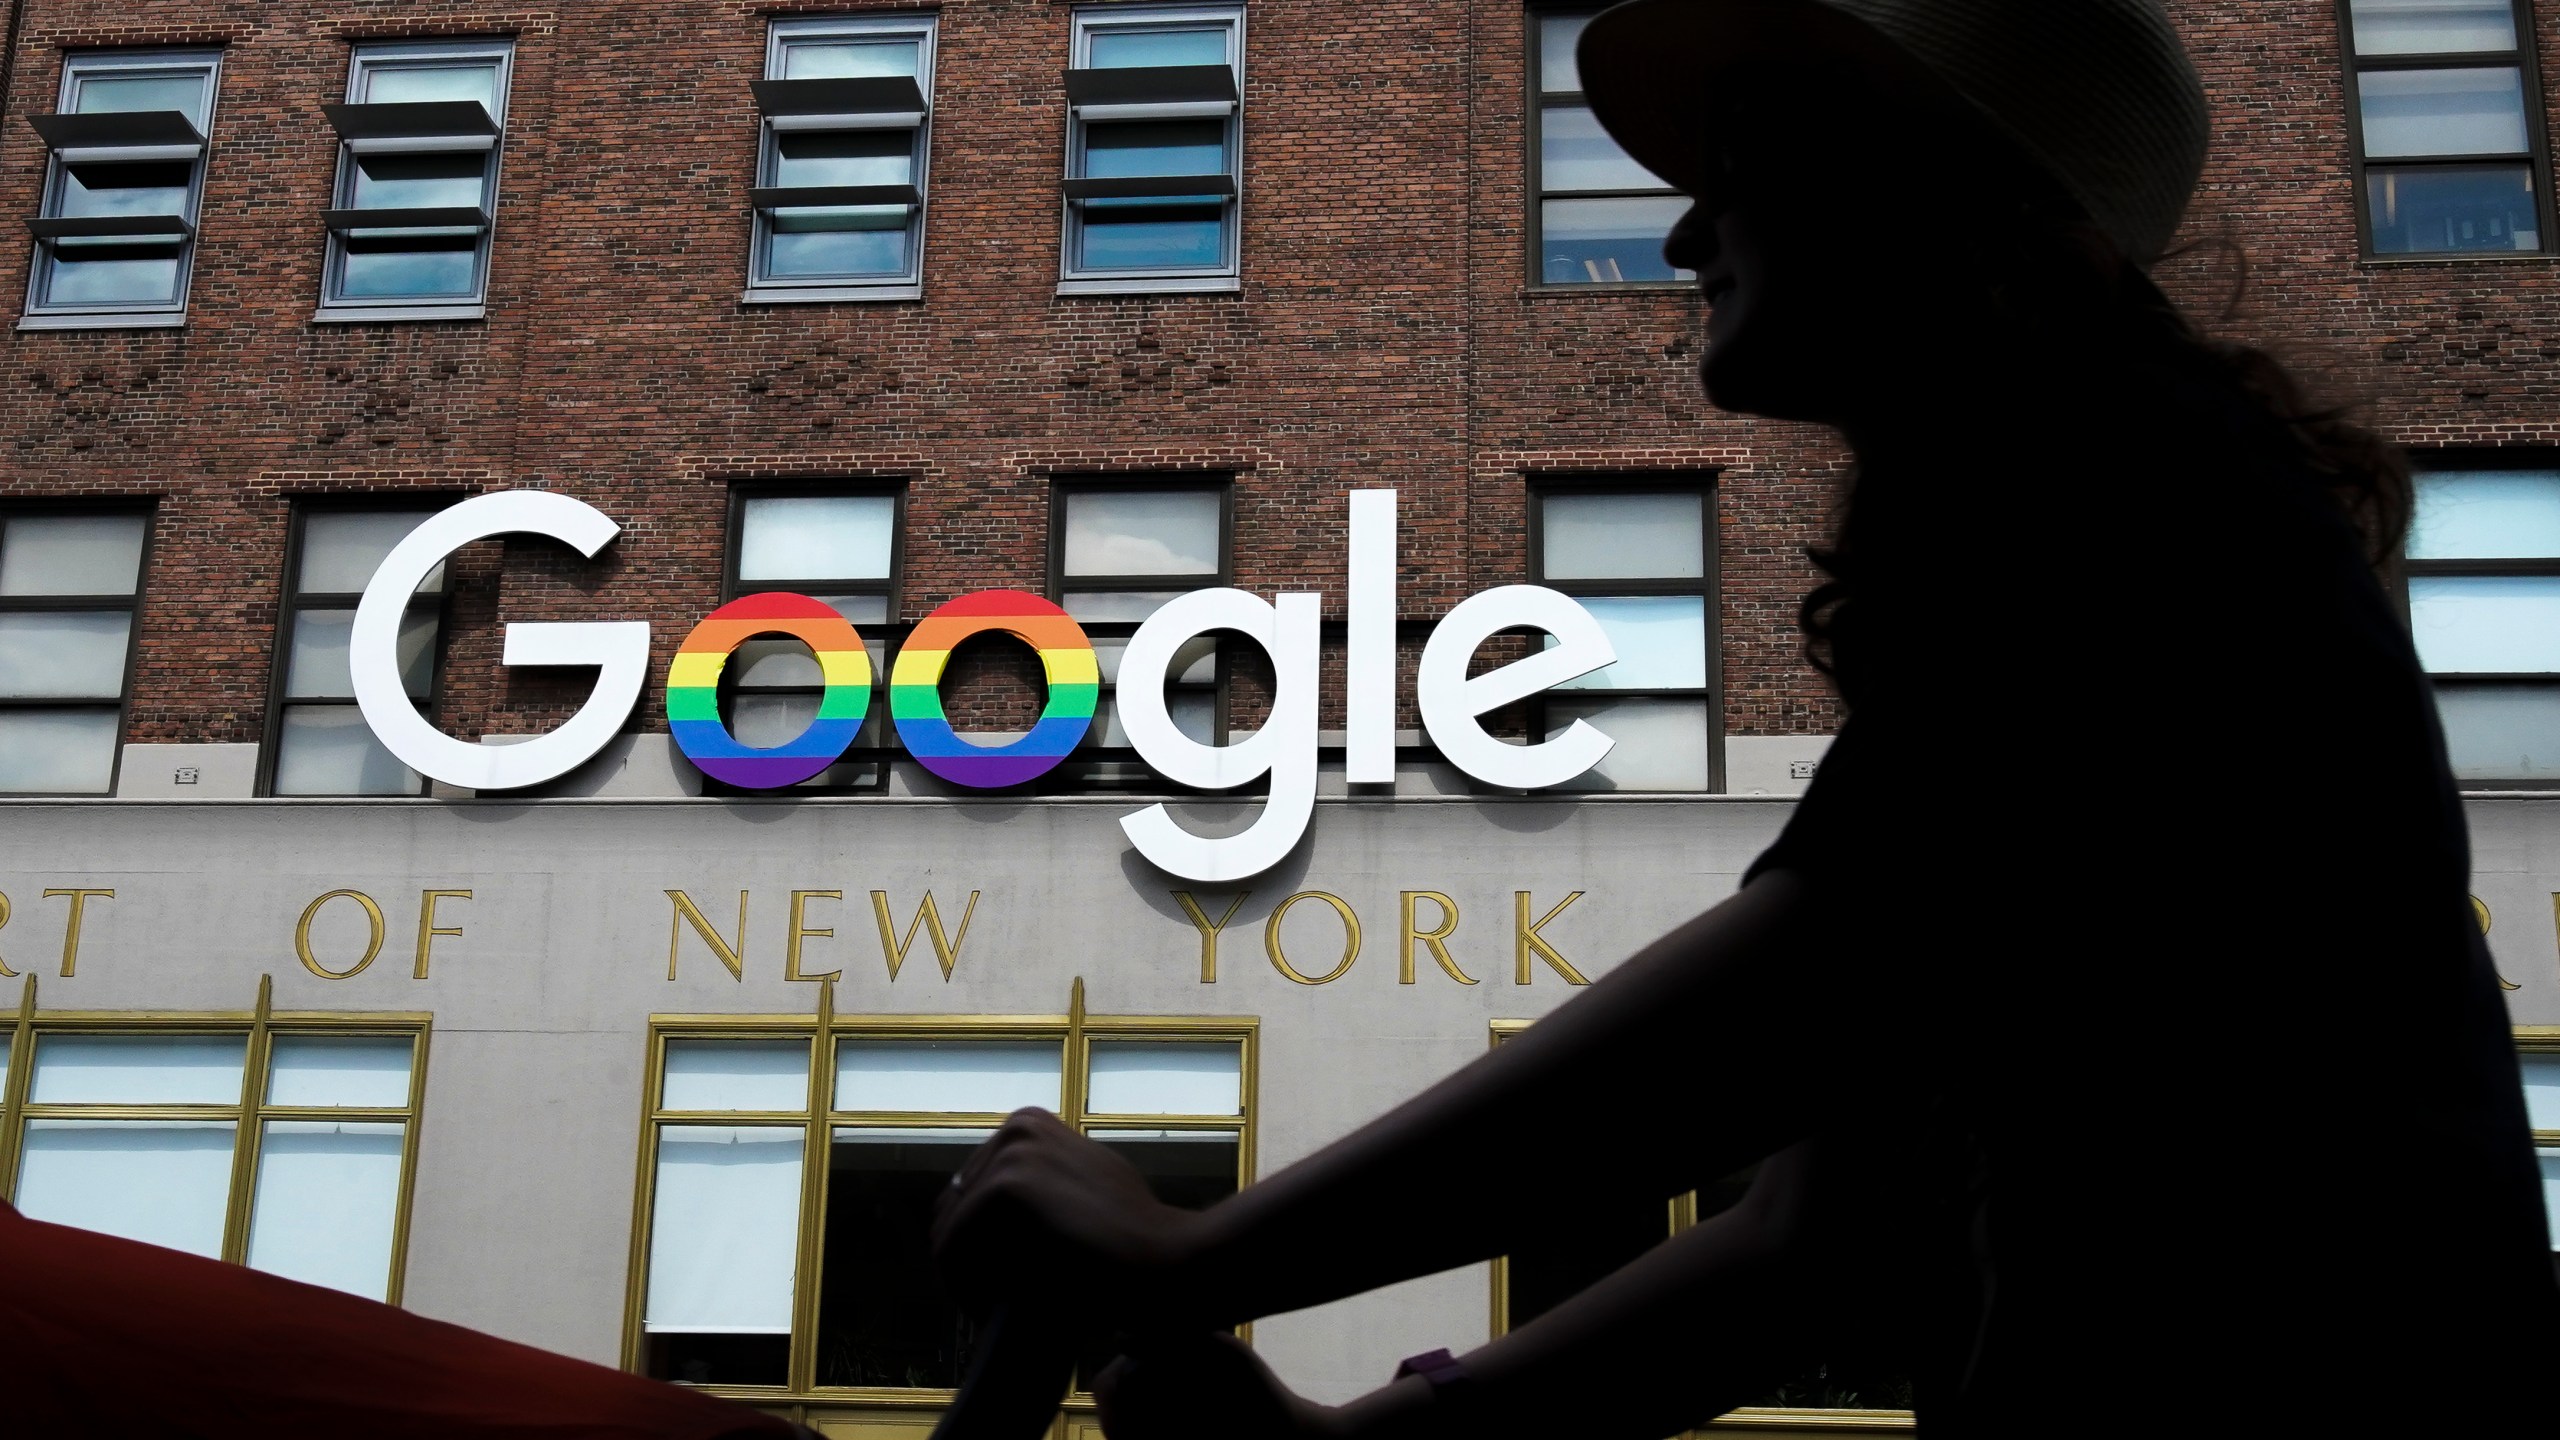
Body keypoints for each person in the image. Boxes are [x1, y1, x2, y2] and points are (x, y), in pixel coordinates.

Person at [933, 1, 2560, 1432]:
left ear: (1916, 181)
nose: (1682, 237)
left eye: (1743, 161)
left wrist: (1200, 1249)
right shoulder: (2127, 511)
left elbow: (1829, 981)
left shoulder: (2143, 499)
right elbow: (1821, 1231)